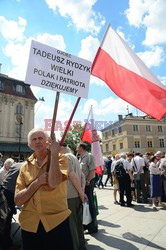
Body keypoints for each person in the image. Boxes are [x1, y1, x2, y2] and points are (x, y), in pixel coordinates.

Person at [14, 128, 74, 250]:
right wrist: (37, 182)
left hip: (56, 222)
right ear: (30, 145)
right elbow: (18, 200)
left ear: (47, 141)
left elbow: (53, 182)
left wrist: (55, 154)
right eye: (34, 139)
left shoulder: (61, 158)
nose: (37, 141)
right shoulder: (24, 167)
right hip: (30, 224)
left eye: (40, 138)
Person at [61, 145, 87, 250]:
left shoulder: (65, 157)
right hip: (76, 195)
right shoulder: (75, 158)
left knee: (71, 224)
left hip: (69, 195)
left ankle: (75, 246)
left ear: (63, 148)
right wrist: (82, 191)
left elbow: (73, 176)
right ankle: (81, 244)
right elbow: (82, 177)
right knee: (78, 223)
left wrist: (81, 192)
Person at [0, 162, 22, 250]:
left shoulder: (17, 165)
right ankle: (7, 245)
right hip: (9, 194)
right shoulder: (26, 167)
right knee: (6, 222)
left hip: (3, 191)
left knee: (3, 221)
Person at [77, 142, 98, 234]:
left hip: (88, 184)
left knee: (90, 205)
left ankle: (93, 227)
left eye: (77, 147)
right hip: (82, 184)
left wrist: (88, 181)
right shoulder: (79, 158)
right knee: (85, 205)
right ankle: (86, 225)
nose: (76, 149)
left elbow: (92, 171)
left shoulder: (89, 156)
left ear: (81, 148)